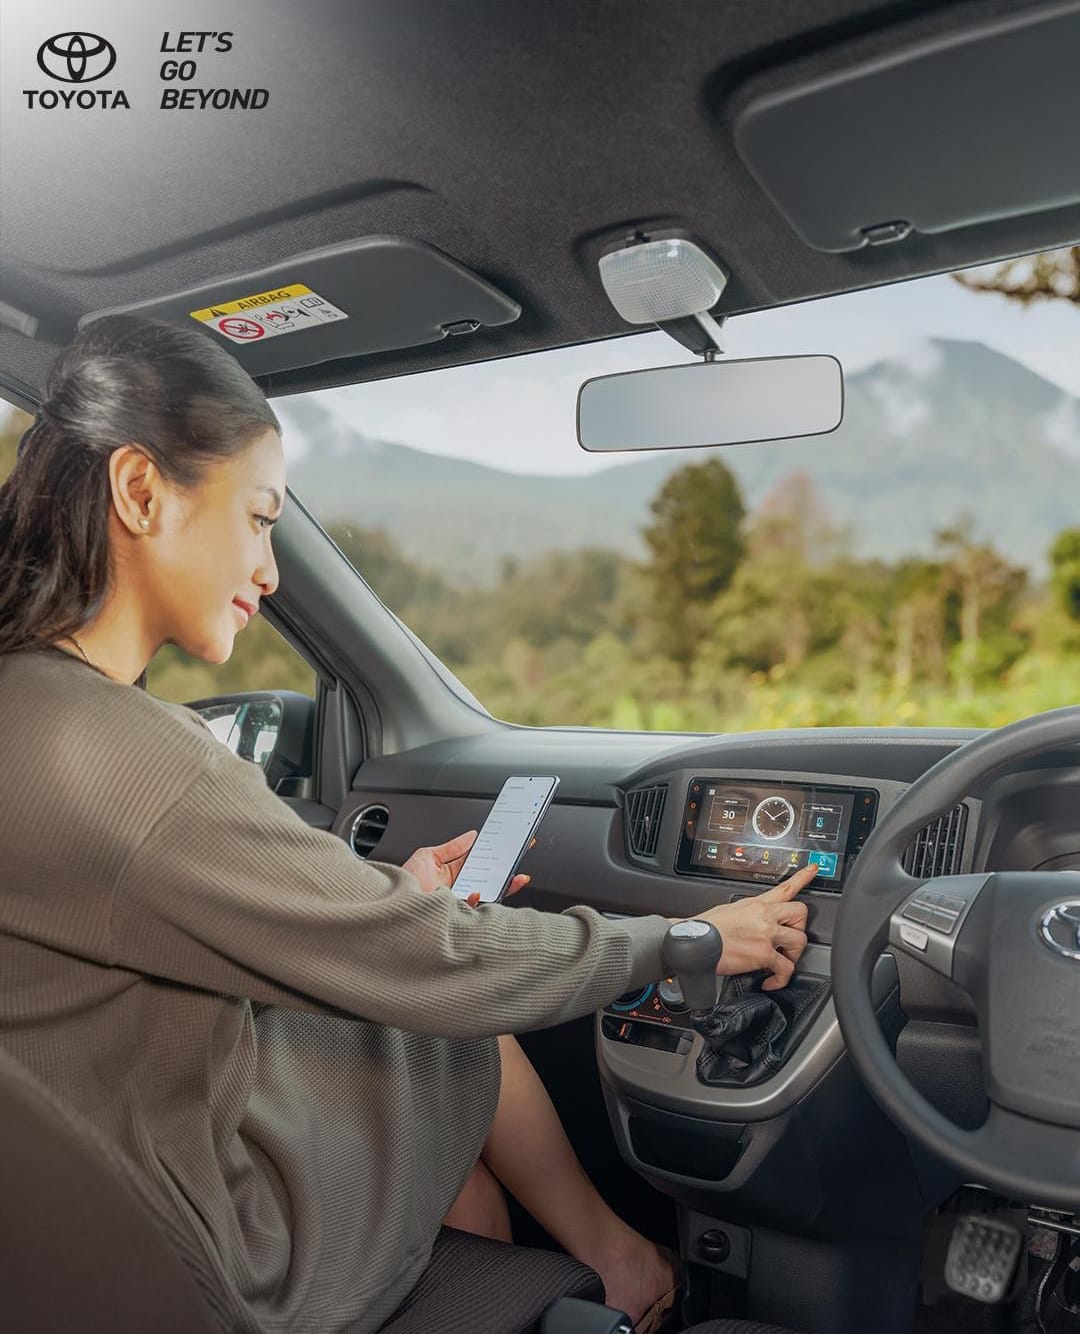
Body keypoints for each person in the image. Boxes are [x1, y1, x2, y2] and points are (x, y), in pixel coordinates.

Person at [0, 316, 813, 1334]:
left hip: (59, 1228)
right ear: (139, 491)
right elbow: (440, 963)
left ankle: (597, 1267)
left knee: (406, 1050)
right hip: (203, 1256)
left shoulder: (33, 712)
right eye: (258, 518)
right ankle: (623, 1266)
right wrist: (686, 940)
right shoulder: (132, 759)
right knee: (444, 1026)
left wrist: (388, 902)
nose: (270, 570)